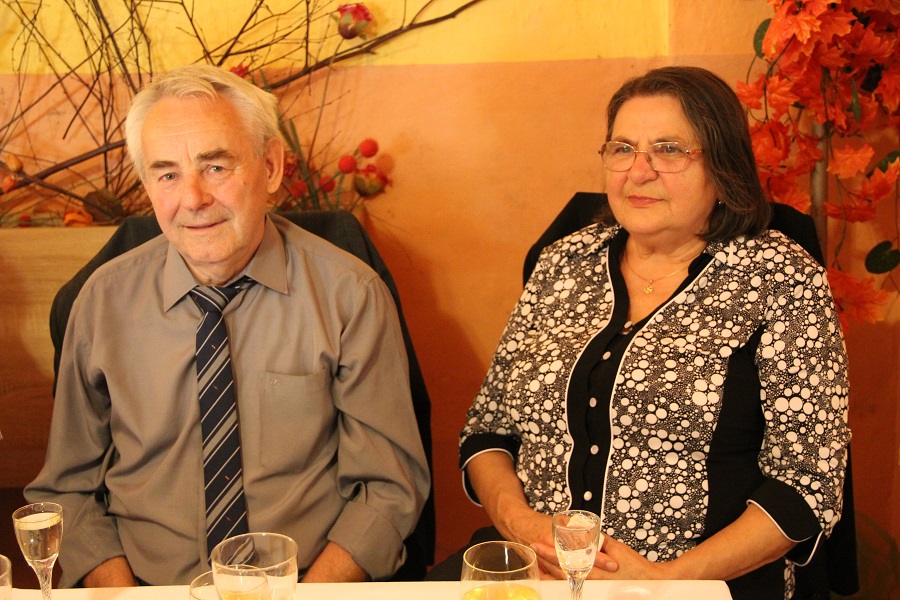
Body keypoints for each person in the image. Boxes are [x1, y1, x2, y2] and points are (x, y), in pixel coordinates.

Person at [452, 66, 850, 599]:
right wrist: (522, 526)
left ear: (723, 167)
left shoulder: (780, 277)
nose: (638, 172)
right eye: (622, 149)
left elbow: (807, 483)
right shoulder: (563, 262)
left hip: (702, 585)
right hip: (537, 578)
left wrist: (664, 581)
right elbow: (488, 430)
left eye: (669, 150)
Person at [25, 65, 430, 587]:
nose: (193, 199)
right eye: (167, 175)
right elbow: (69, 488)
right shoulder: (100, 303)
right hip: (147, 590)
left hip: (304, 587)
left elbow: (388, 488)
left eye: (215, 167)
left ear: (271, 167)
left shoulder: (350, 296)